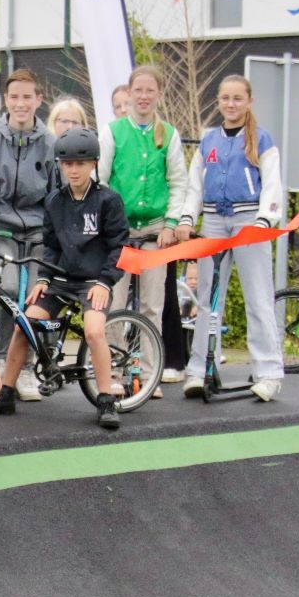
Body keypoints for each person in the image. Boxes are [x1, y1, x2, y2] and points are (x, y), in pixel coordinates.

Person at [0, 127, 130, 429]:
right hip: (59, 280)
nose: (74, 169)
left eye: (80, 163)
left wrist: (106, 281)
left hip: (94, 282)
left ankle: (106, 399)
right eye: (67, 163)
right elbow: (51, 247)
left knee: (93, 332)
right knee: (24, 325)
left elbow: (120, 247)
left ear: (93, 163)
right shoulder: (54, 201)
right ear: (60, 165)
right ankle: (6, 391)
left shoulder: (108, 201)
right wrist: (43, 278)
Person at [183, 74, 286, 401]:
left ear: (249, 101)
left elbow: (272, 183)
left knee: (258, 296)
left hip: (248, 220)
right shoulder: (209, 140)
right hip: (213, 219)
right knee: (206, 299)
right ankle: (198, 369)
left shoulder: (263, 140)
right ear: (218, 102)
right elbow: (194, 185)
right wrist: (188, 217)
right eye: (225, 98)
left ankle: (268, 372)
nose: (231, 104)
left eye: (237, 98)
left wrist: (265, 218)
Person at [107, 62, 192, 388]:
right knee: (114, 302)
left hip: (156, 232)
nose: (143, 96)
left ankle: (148, 373)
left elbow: (178, 183)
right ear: (129, 93)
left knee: (152, 306)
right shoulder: (113, 132)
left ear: (158, 94)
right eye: (138, 90)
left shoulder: (168, 135)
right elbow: (101, 179)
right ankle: (113, 370)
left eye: (149, 91)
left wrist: (172, 223)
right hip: (121, 234)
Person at [0, 67, 52, 401]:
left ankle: (26, 369)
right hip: (1, 229)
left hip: (37, 233)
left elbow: (57, 193)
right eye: (14, 97)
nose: (21, 104)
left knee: (34, 300)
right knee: (5, 291)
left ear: (38, 99)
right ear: (6, 100)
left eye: (27, 97)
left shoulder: (50, 144)